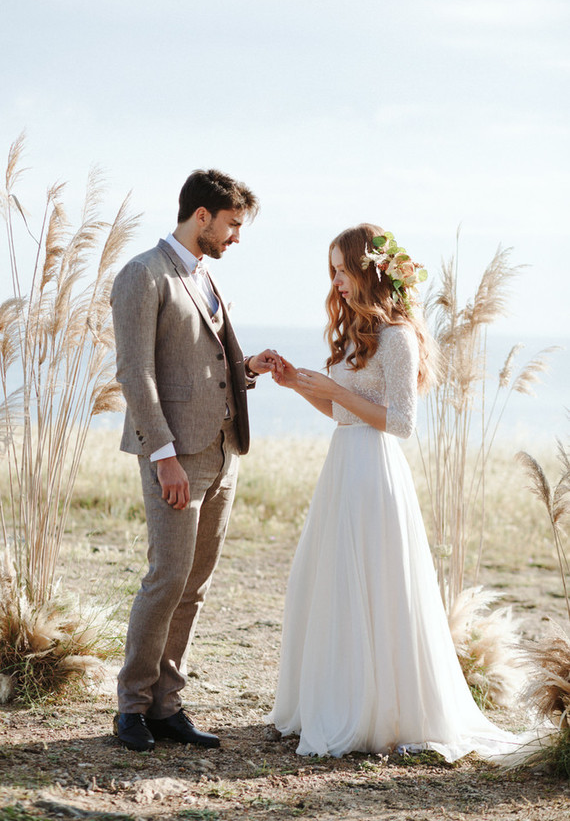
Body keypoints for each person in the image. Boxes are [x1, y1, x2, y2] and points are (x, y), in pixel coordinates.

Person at [266, 223, 522, 761]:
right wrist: (299, 385)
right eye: (331, 270)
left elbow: (400, 422)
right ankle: (336, 698)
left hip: (376, 473)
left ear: (368, 271)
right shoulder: (354, 333)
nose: (335, 281)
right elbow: (342, 415)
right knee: (330, 583)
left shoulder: (400, 337)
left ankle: (382, 710)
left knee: (376, 585)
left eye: (342, 269)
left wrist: (335, 388)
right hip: (342, 467)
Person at [111, 169, 280, 752]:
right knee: (166, 578)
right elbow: (136, 373)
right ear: (201, 215)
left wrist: (248, 368)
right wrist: (164, 457)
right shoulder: (142, 274)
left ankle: (166, 704)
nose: (237, 238)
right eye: (233, 225)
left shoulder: (205, 275)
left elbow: (199, 364)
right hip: (175, 457)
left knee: (196, 584)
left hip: (224, 451)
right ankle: (130, 707)